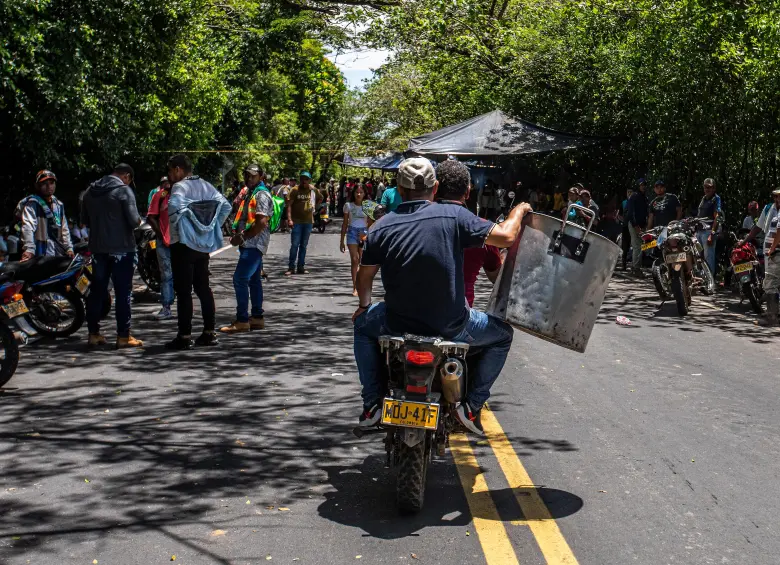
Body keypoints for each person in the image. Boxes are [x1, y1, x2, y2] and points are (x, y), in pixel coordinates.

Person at [352, 158, 533, 436]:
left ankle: (371, 404)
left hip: (395, 322)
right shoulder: (455, 218)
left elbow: (364, 278)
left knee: (362, 326)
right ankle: (471, 406)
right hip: (451, 324)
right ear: (434, 188)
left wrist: (364, 306)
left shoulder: (381, 226)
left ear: (399, 189)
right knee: (503, 335)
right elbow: (507, 237)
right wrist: (519, 210)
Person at [165, 154, 231, 349]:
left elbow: (175, 207)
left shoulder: (180, 187)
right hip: (203, 246)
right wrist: (210, 228)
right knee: (203, 288)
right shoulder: (206, 185)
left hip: (183, 244)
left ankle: (184, 336)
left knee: (184, 291)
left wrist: (182, 224)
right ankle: (209, 333)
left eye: (170, 171)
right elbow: (225, 206)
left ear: (178, 169)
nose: (169, 176)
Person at [80, 163, 143, 348]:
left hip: (98, 249)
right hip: (122, 249)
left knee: (97, 291)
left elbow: (84, 221)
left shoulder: (90, 192)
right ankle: (123, 336)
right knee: (123, 292)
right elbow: (134, 221)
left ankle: (93, 334)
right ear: (127, 176)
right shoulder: (124, 191)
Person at [436, 160, 503, 307]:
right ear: (467, 192)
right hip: (461, 317)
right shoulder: (484, 231)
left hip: (413, 316)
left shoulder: (411, 223)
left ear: (435, 188)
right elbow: (497, 278)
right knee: (503, 330)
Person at [220, 164, 272, 334]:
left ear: (261, 176)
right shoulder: (251, 192)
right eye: (247, 176)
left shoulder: (262, 194)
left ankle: (242, 320)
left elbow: (261, 222)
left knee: (239, 279)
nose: (249, 178)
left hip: (253, 245)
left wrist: (242, 237)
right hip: (249, 244)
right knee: (254, 280)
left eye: (253, 176)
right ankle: (257, 317)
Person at [19, 170, 74, 261]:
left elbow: (64, 229)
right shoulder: (32, 203)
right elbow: (28, 227)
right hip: (38, 252)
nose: (49, 186)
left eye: (52, 183)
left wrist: (69, 248)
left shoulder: (58, 205)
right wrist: (29, 250)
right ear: (37, 186)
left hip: (57, 251)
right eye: (45, 183)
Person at [147, 176, 175, 320]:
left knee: (183, 274)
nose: (167, 184)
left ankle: (185, 307)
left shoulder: (182, 194)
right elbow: (150, 217)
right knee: (166, 275)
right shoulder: (159, 196)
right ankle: (166, 307)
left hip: (181, 243)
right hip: (164, 242)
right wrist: (161, 235)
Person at [285, 172, 322, 276]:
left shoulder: (313, 190)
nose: (304, 181)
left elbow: (321, 198)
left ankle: (301, 266)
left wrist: (315, 207)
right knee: (295, 245)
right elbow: (289, 205)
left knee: (304, 245)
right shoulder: (295, 190)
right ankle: (291, 267)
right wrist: (289, 219)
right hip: (296, 221)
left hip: (308, 221)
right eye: (302, 179)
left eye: (306, 179)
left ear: (310, 180)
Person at [340, 184, 369, 296]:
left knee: (362, 261)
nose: (358, 194)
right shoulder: (348, 206)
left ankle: (362, 285)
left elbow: (371, 223)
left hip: (363, 233)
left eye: (361, 192)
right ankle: (354, 287)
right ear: (353, 193)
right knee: (354, 259)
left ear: (364, 194)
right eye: (357, 192)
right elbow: (345, 223)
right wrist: (341, 240)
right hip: (351, 232)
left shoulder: (367, 206)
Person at [696, 178, 722, 277]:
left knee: (708, 257)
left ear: (714, 188)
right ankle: (700, 280)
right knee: (698, 257)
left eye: (710, 187)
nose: (707, 189)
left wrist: (712, 233)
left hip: (708, 231)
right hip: (699, 231)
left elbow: (717, 217)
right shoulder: (703, 199)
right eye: (705, 187)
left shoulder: (716, 199)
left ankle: (710, 282)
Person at [624, 179, 649, 276]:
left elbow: (646, 212)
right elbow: (630, 213)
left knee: (640, 246)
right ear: (638, 186)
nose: (643, 187)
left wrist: (646, 225)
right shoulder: (634, 196)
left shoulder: (644, 197)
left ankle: (636, 267)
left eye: (644, 185)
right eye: (641, 185)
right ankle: (636, 269)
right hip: (634, 225)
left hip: (642, 225)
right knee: (637, 246)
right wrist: (635, 226)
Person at [619, 186, 634, 270]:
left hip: (634, 226)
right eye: (628, 192)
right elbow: (619, 214)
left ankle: (634, 266)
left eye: (631, 192)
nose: (629, 194)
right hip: (625, 227)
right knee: (625, 246)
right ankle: (623, 265)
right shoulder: (624, 202)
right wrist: (623, 221)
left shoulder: (635, 202)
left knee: (635, 247)